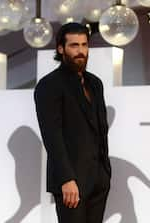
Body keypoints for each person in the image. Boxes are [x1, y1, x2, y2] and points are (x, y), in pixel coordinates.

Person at [34, 22, 112, 223]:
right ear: (61, 48)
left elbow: (99, 130)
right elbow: (52, 136)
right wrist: (66, 179)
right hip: (72, 181)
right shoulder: (49, 85)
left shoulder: (95, 83)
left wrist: (105, 173)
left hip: (98, 179)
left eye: (84, 45)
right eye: (74, 45)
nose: (81, 51)